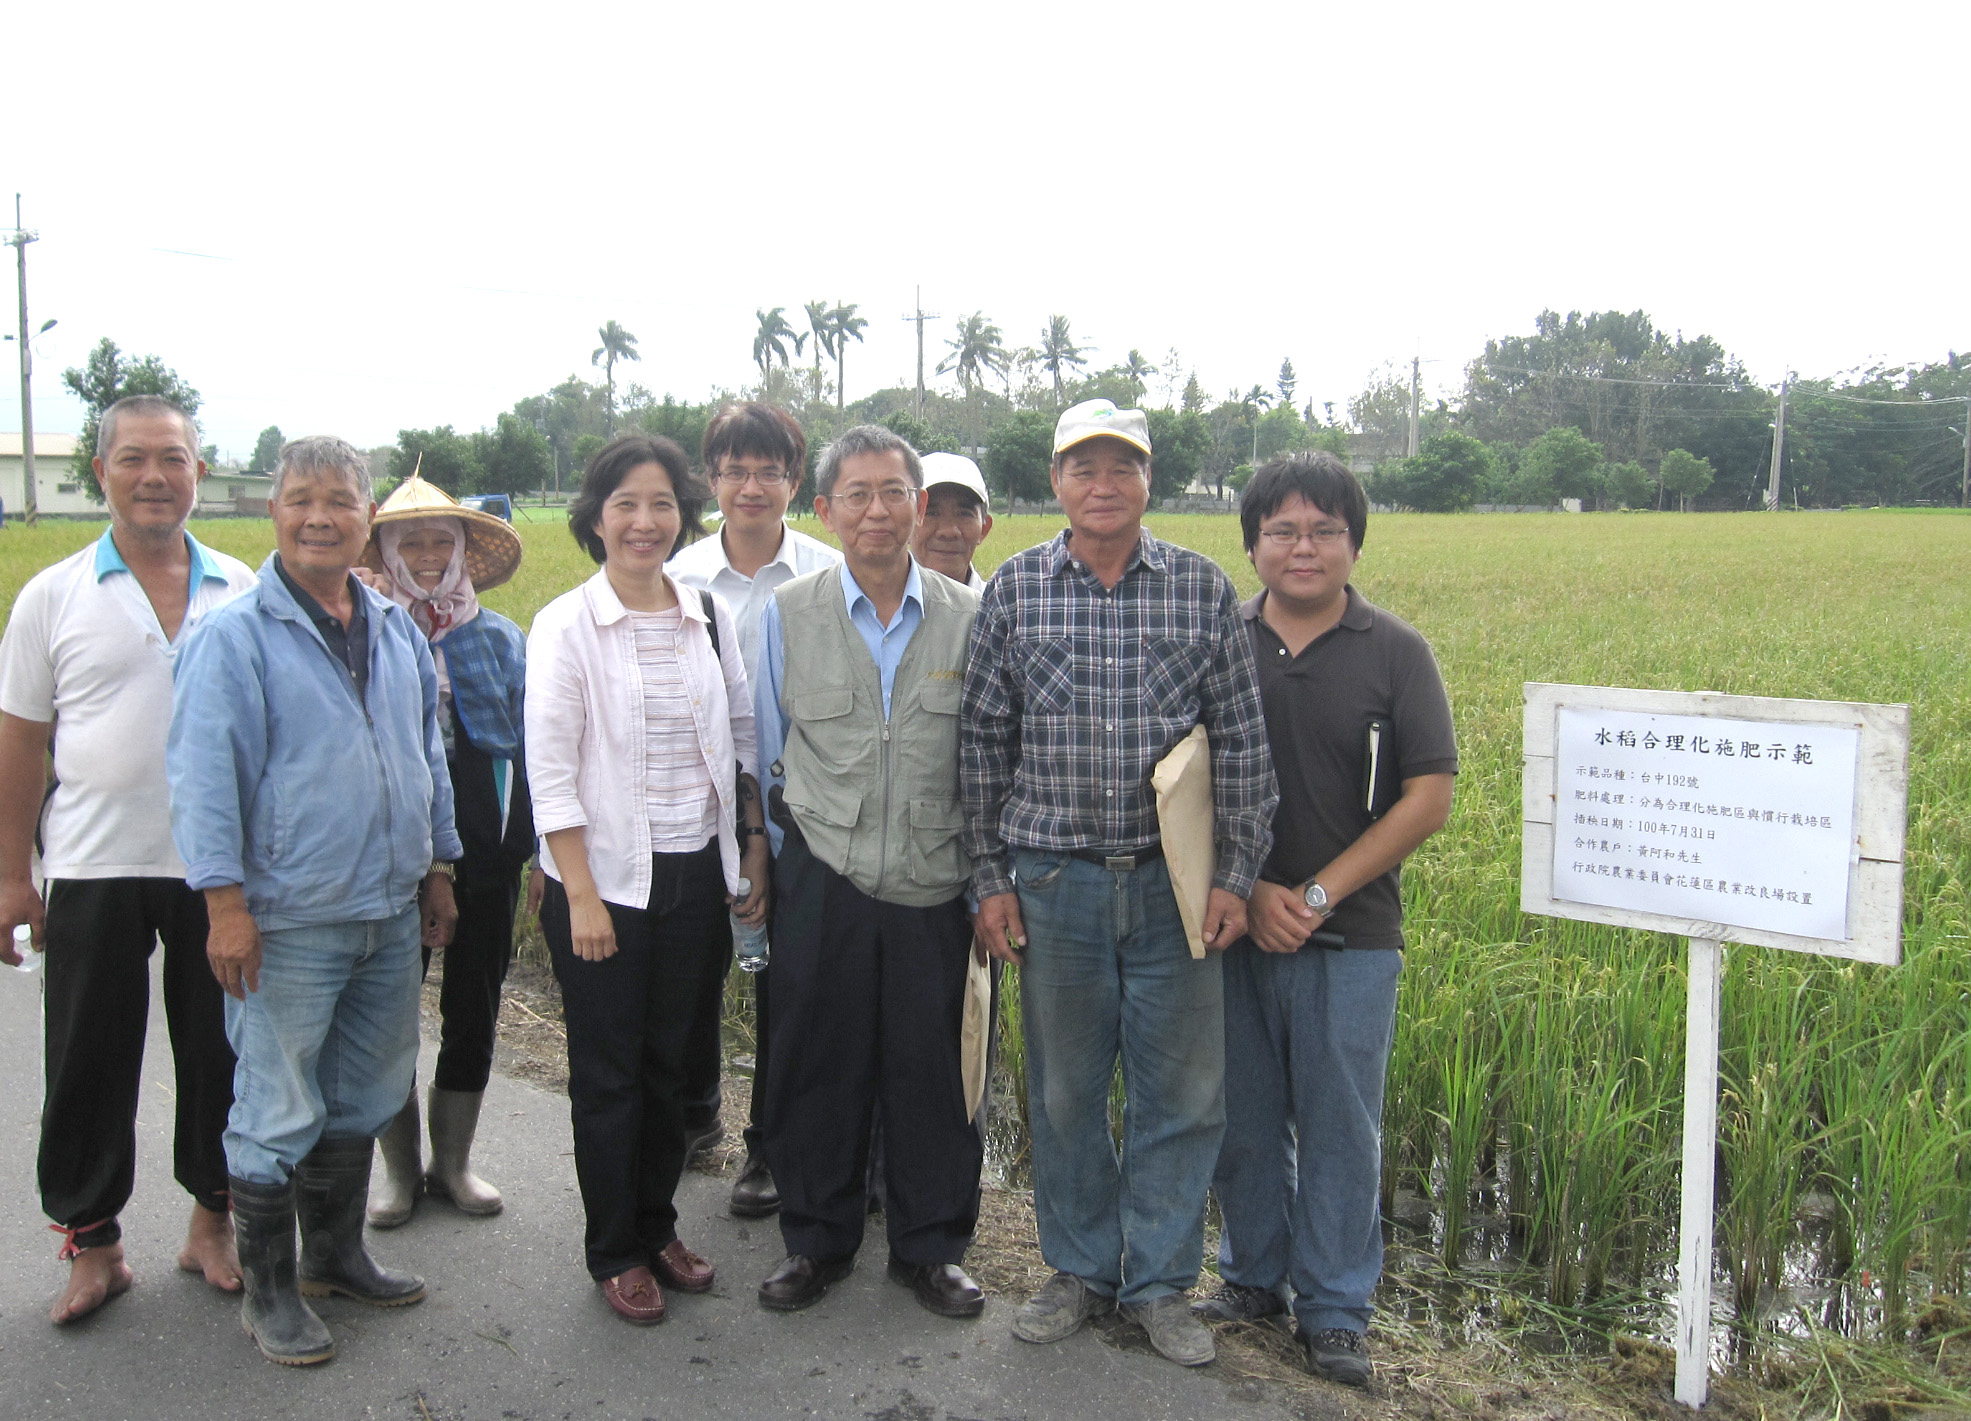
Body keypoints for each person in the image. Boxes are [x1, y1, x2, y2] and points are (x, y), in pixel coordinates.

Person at [961, 398, 1276, 1368]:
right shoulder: (1014, 591)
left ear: (1149, 481)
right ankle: (1081, 1268)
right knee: (1062, 1091)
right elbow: (979, 748)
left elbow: (1242, 743)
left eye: (1122, 467)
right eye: (1082, 467)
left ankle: (1160, 1284)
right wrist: (988, 879)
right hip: (1052, 882)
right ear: (1054, 481)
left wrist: (1235, 875)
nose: (1103, 485)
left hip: (1172, 886)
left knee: (1183, 1093)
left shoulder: (1198, 587)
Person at [167, 435, 460, 1366]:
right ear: (273, 512)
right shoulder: (231, 637)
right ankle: (269, 1290)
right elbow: (204, 781)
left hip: (385, 907)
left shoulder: (394, 626)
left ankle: (335, 1255)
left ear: (367, 516)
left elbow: (428, 753)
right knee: (276, 1096)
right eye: (301, 498)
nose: (320, 516)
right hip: (287, 915)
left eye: (340, 499)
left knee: (367, 1087)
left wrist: (440, 866)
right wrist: (224, 905)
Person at [1192, 452, 1456, 1387]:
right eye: (1282, 531)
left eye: (1324, 530)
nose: (1303, 547)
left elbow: (1426, 796)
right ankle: (1252, 1277)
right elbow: (1184, 781)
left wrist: (1310, 895)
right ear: (1252, 543)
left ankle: (1336, 1309)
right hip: (1232, 921)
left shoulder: (1395, 650)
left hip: (1350, 936)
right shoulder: (1217, 638)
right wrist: (1253, 888)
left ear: (1353, 541)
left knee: (1343, 1122)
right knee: (1243, 1115)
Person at [0, 395, 256, 1324]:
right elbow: (22, 743)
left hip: (217, 871)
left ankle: (211, 1224)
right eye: (135, 458)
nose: (156, 475)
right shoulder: (53, 596)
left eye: (176, 458)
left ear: (199, 469)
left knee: (222, 1052)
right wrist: (9, 875)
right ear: (100, 472)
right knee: (86, 1059)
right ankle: (94, 1243)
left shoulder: (243, 585)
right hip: (92, 864)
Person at [526, 434, 769, 1326]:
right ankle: (614, 1247)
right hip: (605, 881)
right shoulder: (565, 623)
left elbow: (741, 733)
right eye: (625, 503)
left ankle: (658, 1221)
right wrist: (580, 893)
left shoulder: (705, 612)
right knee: (609, 1072)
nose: (643, 520)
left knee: (674, 1063)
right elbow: (548, 772)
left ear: (681, 516)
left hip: (693, 873)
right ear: (595, 517)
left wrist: (749, 844)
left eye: (660, 503)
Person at [750, 425, 985, 1317]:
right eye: (856, 494)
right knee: (818, 1060)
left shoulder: (971, 616)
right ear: (827, 510)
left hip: (936, 872)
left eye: (894, 492)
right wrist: (770, 863)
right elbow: (769, 748)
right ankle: (816, 1240)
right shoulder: (787, 612)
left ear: (919, 506)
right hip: (823, 867)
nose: (876, 510)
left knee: (934, 1067)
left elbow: (987, 754)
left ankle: (930, 1249)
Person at [667, 402, 839, 1219]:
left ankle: (768, 1143)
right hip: (688, 812)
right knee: (688, 966)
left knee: (785, 988)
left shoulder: (824, 574)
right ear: (711, 479)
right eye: (734, 470)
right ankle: (694, 1113)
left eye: (769, 471)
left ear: (794, 483)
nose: (750, 486)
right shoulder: (679, 575)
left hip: (790, 810)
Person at [355, 475, 531, 1227]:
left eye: (442, 542)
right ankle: (397, 1174)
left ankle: (452, 1162)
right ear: (386, 551)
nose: (427, 556)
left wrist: (536, 855)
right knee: (388, 1006)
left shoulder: (499, 637)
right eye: (410, 542)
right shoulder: (361, 631)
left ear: (463, 551)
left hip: (488, 843)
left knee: (475, 1002)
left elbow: (532, 749)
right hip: (393, 844)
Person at [910, 452, 993, 588]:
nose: (948, 532)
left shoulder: (998, 606)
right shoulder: (875, 606)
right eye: (932, 513)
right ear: (906, 525)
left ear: (984, 529)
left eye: (964, 514)